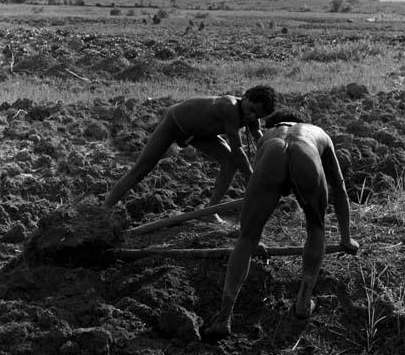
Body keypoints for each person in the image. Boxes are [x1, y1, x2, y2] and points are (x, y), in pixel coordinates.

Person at [203, 109, 359, 340]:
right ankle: (303, 302)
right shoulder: (317, 133)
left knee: (246, 238)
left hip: (271, 156)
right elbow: (339, 187)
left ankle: (224, 318)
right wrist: (346, 238)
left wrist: (255, 236)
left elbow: (263, 189)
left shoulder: (268, 136)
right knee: (316, 226)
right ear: (301, 122)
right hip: (307, 154)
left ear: (275, 124)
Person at [103, 85, 277, 219]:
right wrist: (251, 179)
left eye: (258, 116)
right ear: (245, 98)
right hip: (175, 123)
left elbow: (259, 140)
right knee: (141, 169)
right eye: (252, 110)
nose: (253, 117)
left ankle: (210, 211)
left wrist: (272, 161)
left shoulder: (252, 117)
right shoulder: (229, 107)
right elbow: (238, 148)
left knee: (229, 162)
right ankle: (104, 209)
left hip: (199, 134)